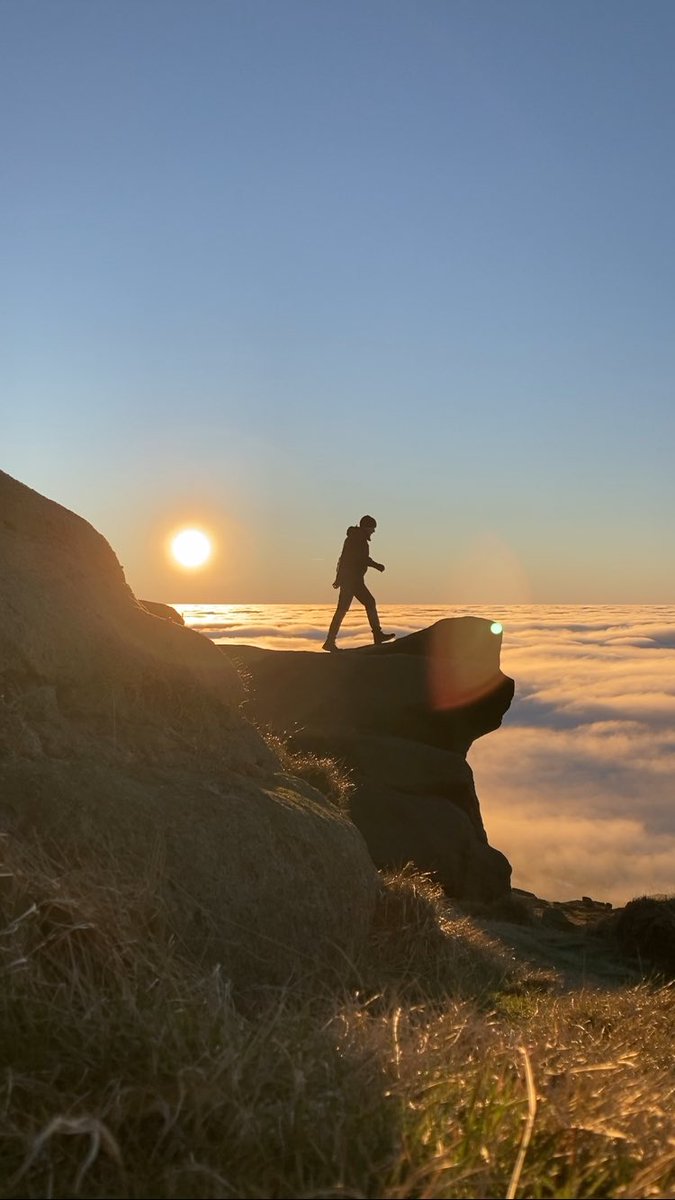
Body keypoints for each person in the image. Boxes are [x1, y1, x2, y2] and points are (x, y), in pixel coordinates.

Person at [322, 515, 395, 651]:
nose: (373, 531)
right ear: (367, 527)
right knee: (366, 603)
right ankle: (377, 635)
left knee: (344, 609)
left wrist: (339, 579)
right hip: (352, 581)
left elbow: (343, 559)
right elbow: (360, 558)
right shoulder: (358, 539)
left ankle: (330, 641)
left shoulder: (354, 538)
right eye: (372, 528)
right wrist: (376, 565)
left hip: (350, 580)